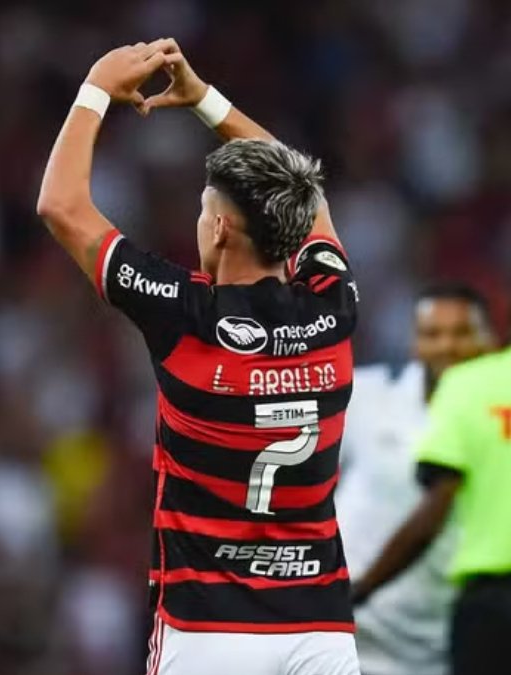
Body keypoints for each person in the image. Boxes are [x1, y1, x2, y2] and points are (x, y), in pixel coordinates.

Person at [36, 39, 360, 675]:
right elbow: (309, 196)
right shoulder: (334, 310)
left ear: (217, 230)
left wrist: (96, 86)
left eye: (202, 209)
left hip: (206, 628)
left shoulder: (184, 314)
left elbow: (60, 205)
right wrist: (207, 100)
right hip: (318, 626)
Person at [335, 285, 495, 675]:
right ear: (414, 344)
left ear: (489, 342)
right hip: (344, 633)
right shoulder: (368, 397)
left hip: (431, 647)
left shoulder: (499, 424)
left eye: (461, 333)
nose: (447, 347)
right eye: (433, 335)